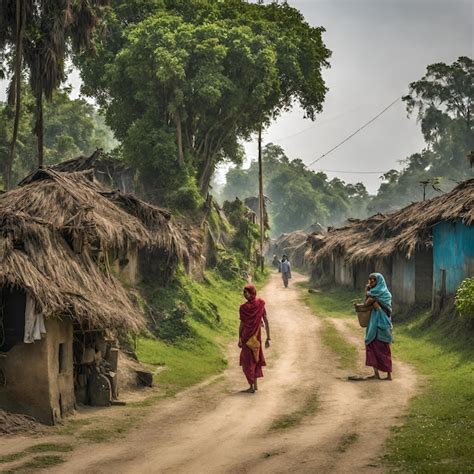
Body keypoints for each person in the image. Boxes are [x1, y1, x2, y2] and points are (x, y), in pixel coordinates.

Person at [238, 284, 270, 393]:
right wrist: (239, 337)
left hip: (252, 338)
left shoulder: (257, 305)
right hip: (249, 338)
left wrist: (269, 337)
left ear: (253, 292)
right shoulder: (254, 305)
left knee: (249, 362)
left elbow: (265, 320)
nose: (246, 295)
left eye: (248, 292)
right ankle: (254, 385)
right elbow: (242, 324)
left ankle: (252, 387)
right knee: (252, 360)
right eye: (245, 293)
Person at [364, 273, 393, 380]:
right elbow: (365, 303)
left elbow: (368, 303)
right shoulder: (371, 293)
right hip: (373, 324)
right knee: (371, 346)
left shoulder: (385, 294)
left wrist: (371, 297)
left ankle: (389, 374)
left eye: (373, 280)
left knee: (384, 349)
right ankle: (376, 374)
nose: (371, 282)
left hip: (383, 324)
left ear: (379, 281)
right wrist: (367, 292)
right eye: (370, 280)